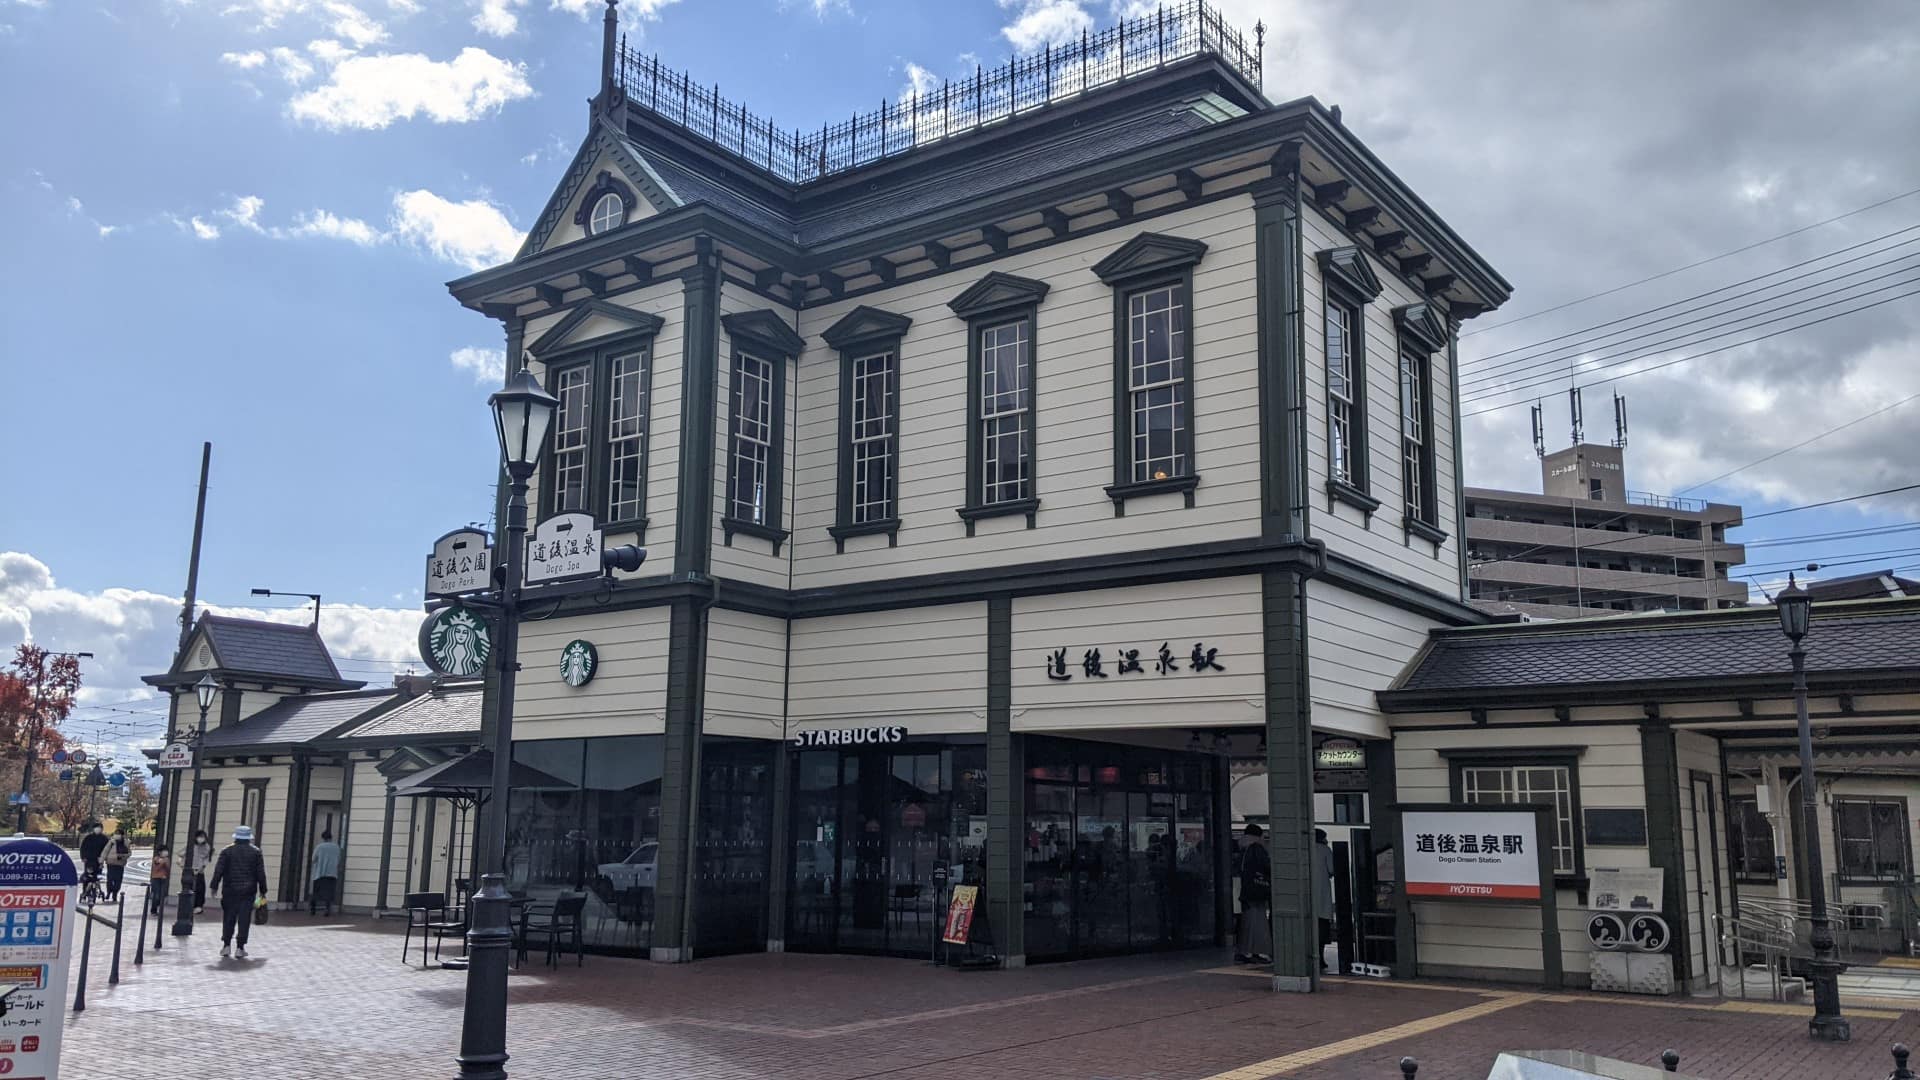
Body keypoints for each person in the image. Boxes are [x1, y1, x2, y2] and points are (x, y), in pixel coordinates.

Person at [209, 825, 269, 959]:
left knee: (228, 917)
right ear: (249, 838)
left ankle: (226, 945)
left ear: (236, 837)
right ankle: (240, 948)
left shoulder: (226, 851)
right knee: (244, 919)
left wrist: (214, 886)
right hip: (248, 891)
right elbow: (260, 873)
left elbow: (219, 870)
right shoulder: (256, 852)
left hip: (229, 890)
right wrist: (263, 890)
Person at [1235, 823, 1271, 965]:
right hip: (1257, 891)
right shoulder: (1257, 848)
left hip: (1247, 890)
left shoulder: (1243, 848)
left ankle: (1245, 950)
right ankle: (1255, 951)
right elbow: (1266, 867)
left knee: (1248, 921)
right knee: (1257, 922)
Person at [1314, 829, 1336, 974]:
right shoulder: (1325, 850)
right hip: (1322, 897)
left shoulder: (1304, 849)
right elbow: (1332, 869)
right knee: (1321, 931)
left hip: (1307, 899)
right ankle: (1320, 958)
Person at [308, 830, 342, 917]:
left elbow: (313, 859)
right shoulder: (336, 847)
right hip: (332, 873)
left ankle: (313, 909)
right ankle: (327, 909)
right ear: (331, 837)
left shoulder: (319, 847)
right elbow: (339, 859)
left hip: (320, 873)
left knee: (316, 892)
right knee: (329, 892)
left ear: (323, 838)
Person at [188, 829, 213, 913]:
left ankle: (199, 906)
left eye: (203, 837)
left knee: (200, 888)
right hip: (191, 869)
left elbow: (206, 858)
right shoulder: (192, 846)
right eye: (199, 837)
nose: (201, 838)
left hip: (200, 870)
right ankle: (191, 905)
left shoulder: (206, 846)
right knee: (190, 887)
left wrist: (203, 867)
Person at [105, 828, 132, 900]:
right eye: (116, 833)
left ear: (122, 835)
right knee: (110, 879)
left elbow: (129, 853)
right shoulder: (111, 842)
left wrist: (123, 856)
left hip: (120, 864)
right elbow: (105, 851)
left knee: (118, 880)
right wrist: (102, 860)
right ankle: (109, 892)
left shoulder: (126, 843)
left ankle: (115, 893)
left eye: (118, 834)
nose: (117, 835)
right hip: (110, 863)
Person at [149, 845, 173, 915]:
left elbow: (168, 868)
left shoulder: (167, 859)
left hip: (163, 878)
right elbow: (156, 868)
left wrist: (166, 862)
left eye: (166, 851)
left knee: (161, 895)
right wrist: (162, 862)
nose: (166, 852)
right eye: (164, 851)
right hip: (156, 878)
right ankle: (153, 910)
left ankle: (157, 907)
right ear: (160, 852)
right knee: (156, 895)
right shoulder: (156, 858)